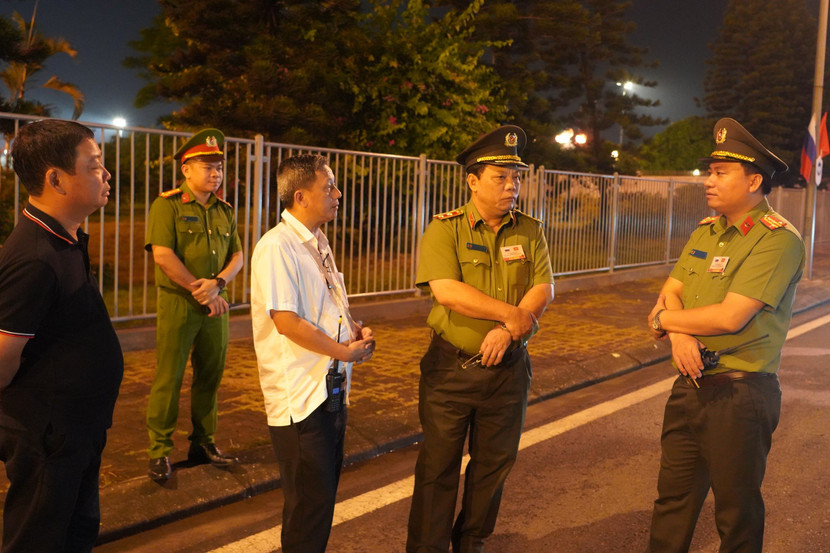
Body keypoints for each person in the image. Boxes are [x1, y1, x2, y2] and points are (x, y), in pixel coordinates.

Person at [646, 118, 805, 552]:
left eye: (720, 173)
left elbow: (729, 317)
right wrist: (678, 337)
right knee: (672, 503)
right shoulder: (706, 231)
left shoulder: (776, 240)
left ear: (754, 181)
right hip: (689, 384)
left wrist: (664, 323)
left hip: (740, 395)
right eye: (709, 171)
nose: (707, 181)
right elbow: (671, 292)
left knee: (736, 513)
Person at [406, 125, 555, 553]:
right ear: (472, 181)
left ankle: (471, 544)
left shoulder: (529, 230)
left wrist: (508, 332)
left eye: (517, 178)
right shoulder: (445, 229)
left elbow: (543, 288)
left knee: (493, 466)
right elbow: (447, 292)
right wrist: (511, 316)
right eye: (501, 178)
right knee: (438, 469)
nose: (512, 187)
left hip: (508, 371)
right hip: (451, 370)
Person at [0, 120, 124, 552]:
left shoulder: (64, 239)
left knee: (74, 533)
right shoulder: (35, 257)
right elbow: (2, 358)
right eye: (94, 166)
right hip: (48, 439)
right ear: (55, 178)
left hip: (76, 432)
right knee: (38, 540)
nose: (106, 174)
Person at [250, 153, 376, 553]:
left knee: (319, 503)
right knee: (308, 508)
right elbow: (286, 321)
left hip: (328, 391)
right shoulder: (277, 247)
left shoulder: (316, 241)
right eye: (329, 187)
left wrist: (352, 328)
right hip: (301, 400)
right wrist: (343, 350)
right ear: (301, 196)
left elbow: (323, 305)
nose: (338, 194)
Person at [144, 128, 244, 481]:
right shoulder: (167, 204)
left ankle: (203, 443)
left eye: (219, 167)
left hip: (215, 305)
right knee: (168, 378)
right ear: (186, 170)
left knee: (210, 377)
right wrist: (198, 290)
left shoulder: (224, 210)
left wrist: (217, 286)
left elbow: (238, 255)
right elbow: (162, 255)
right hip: (179, 304)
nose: (215, 173)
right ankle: (159, 450)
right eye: (207, 166)